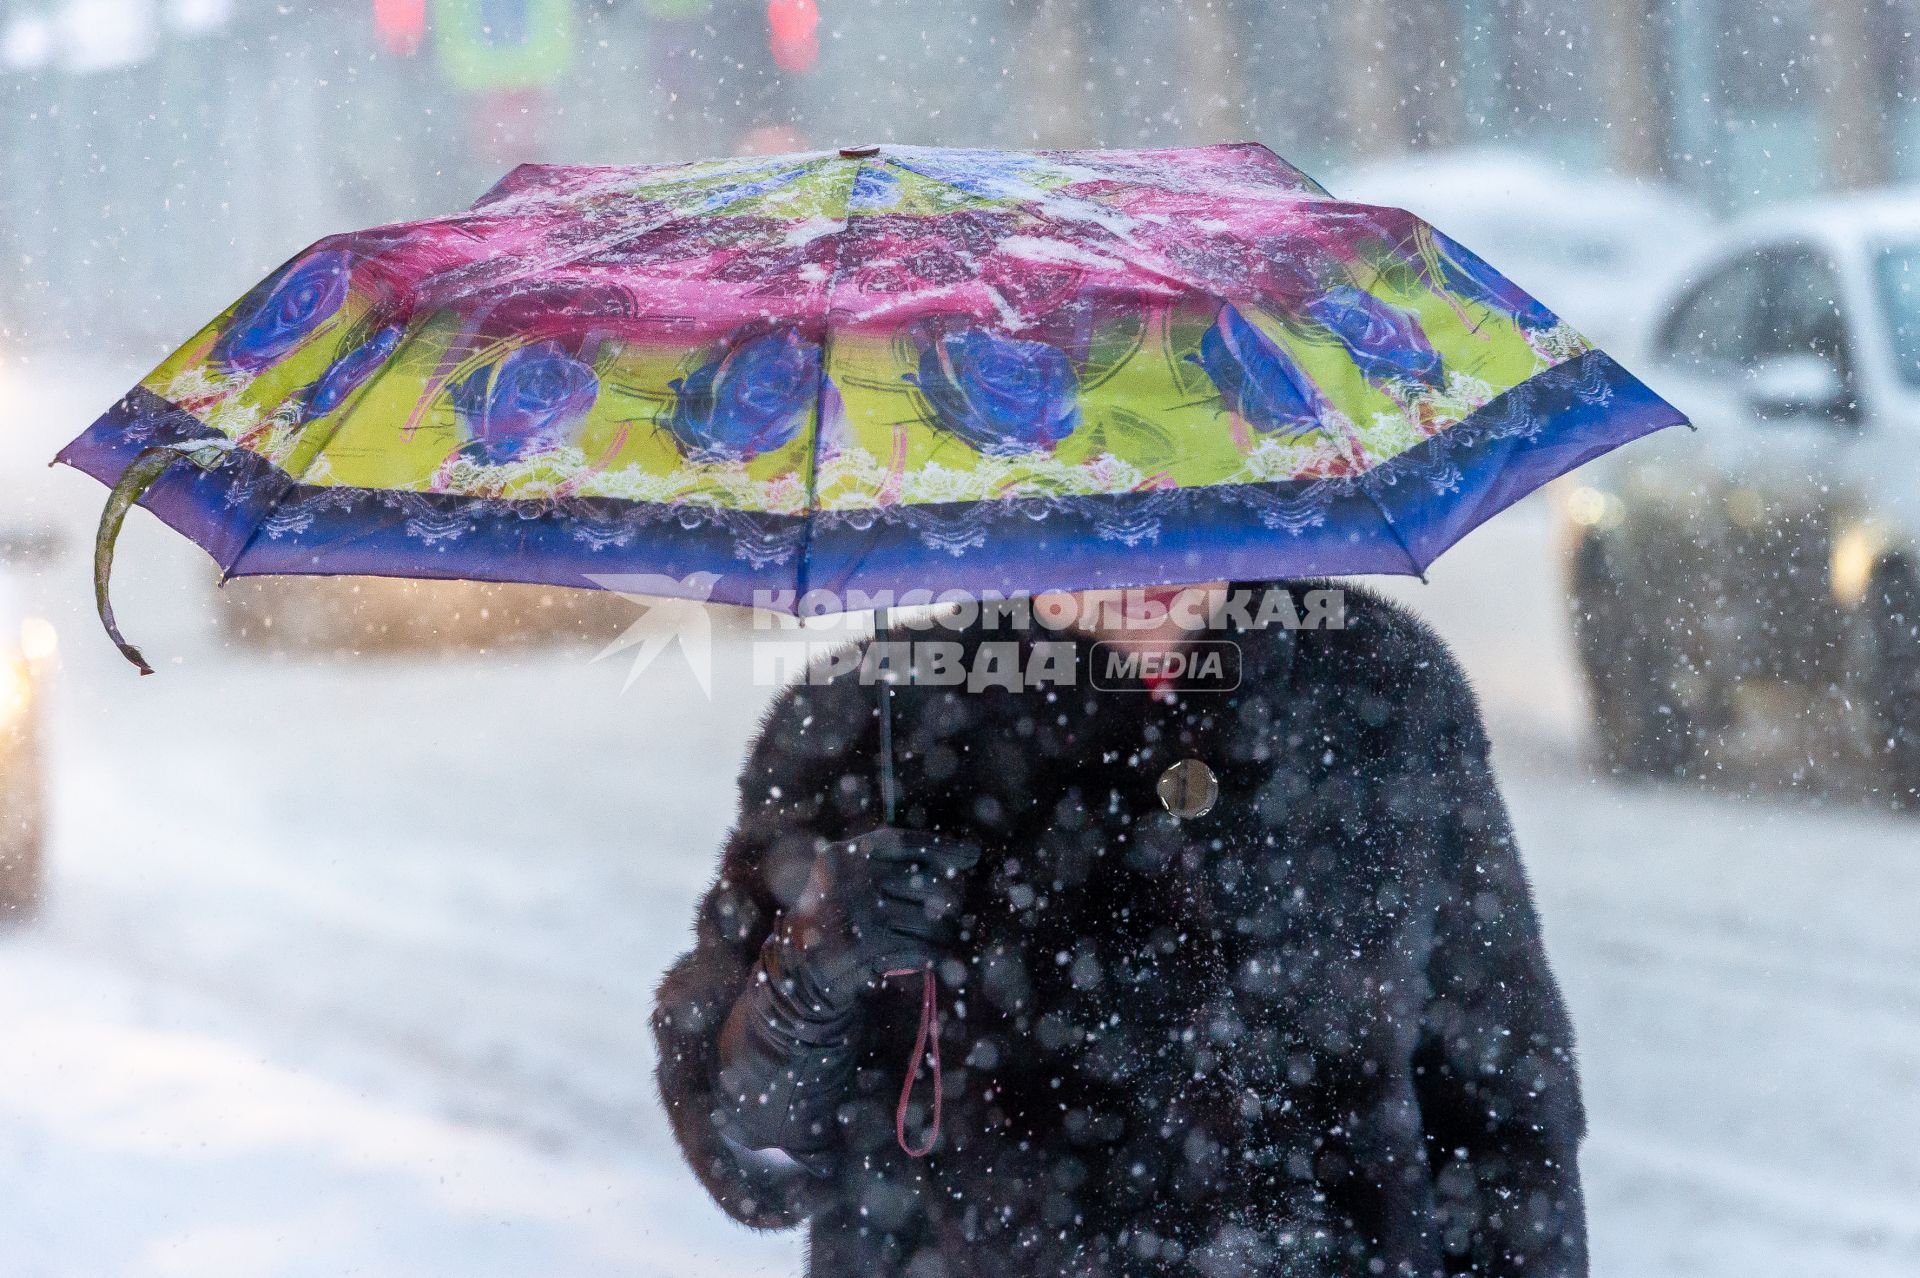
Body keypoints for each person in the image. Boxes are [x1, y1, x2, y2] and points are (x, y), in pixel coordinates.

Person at [653, 580, 1587, 1278]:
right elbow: (756, 1159)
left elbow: (1504, 1100)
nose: (1150, 561)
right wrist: (807, 975)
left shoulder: (1382, 690)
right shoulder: (875, 718)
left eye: (1194, 493)